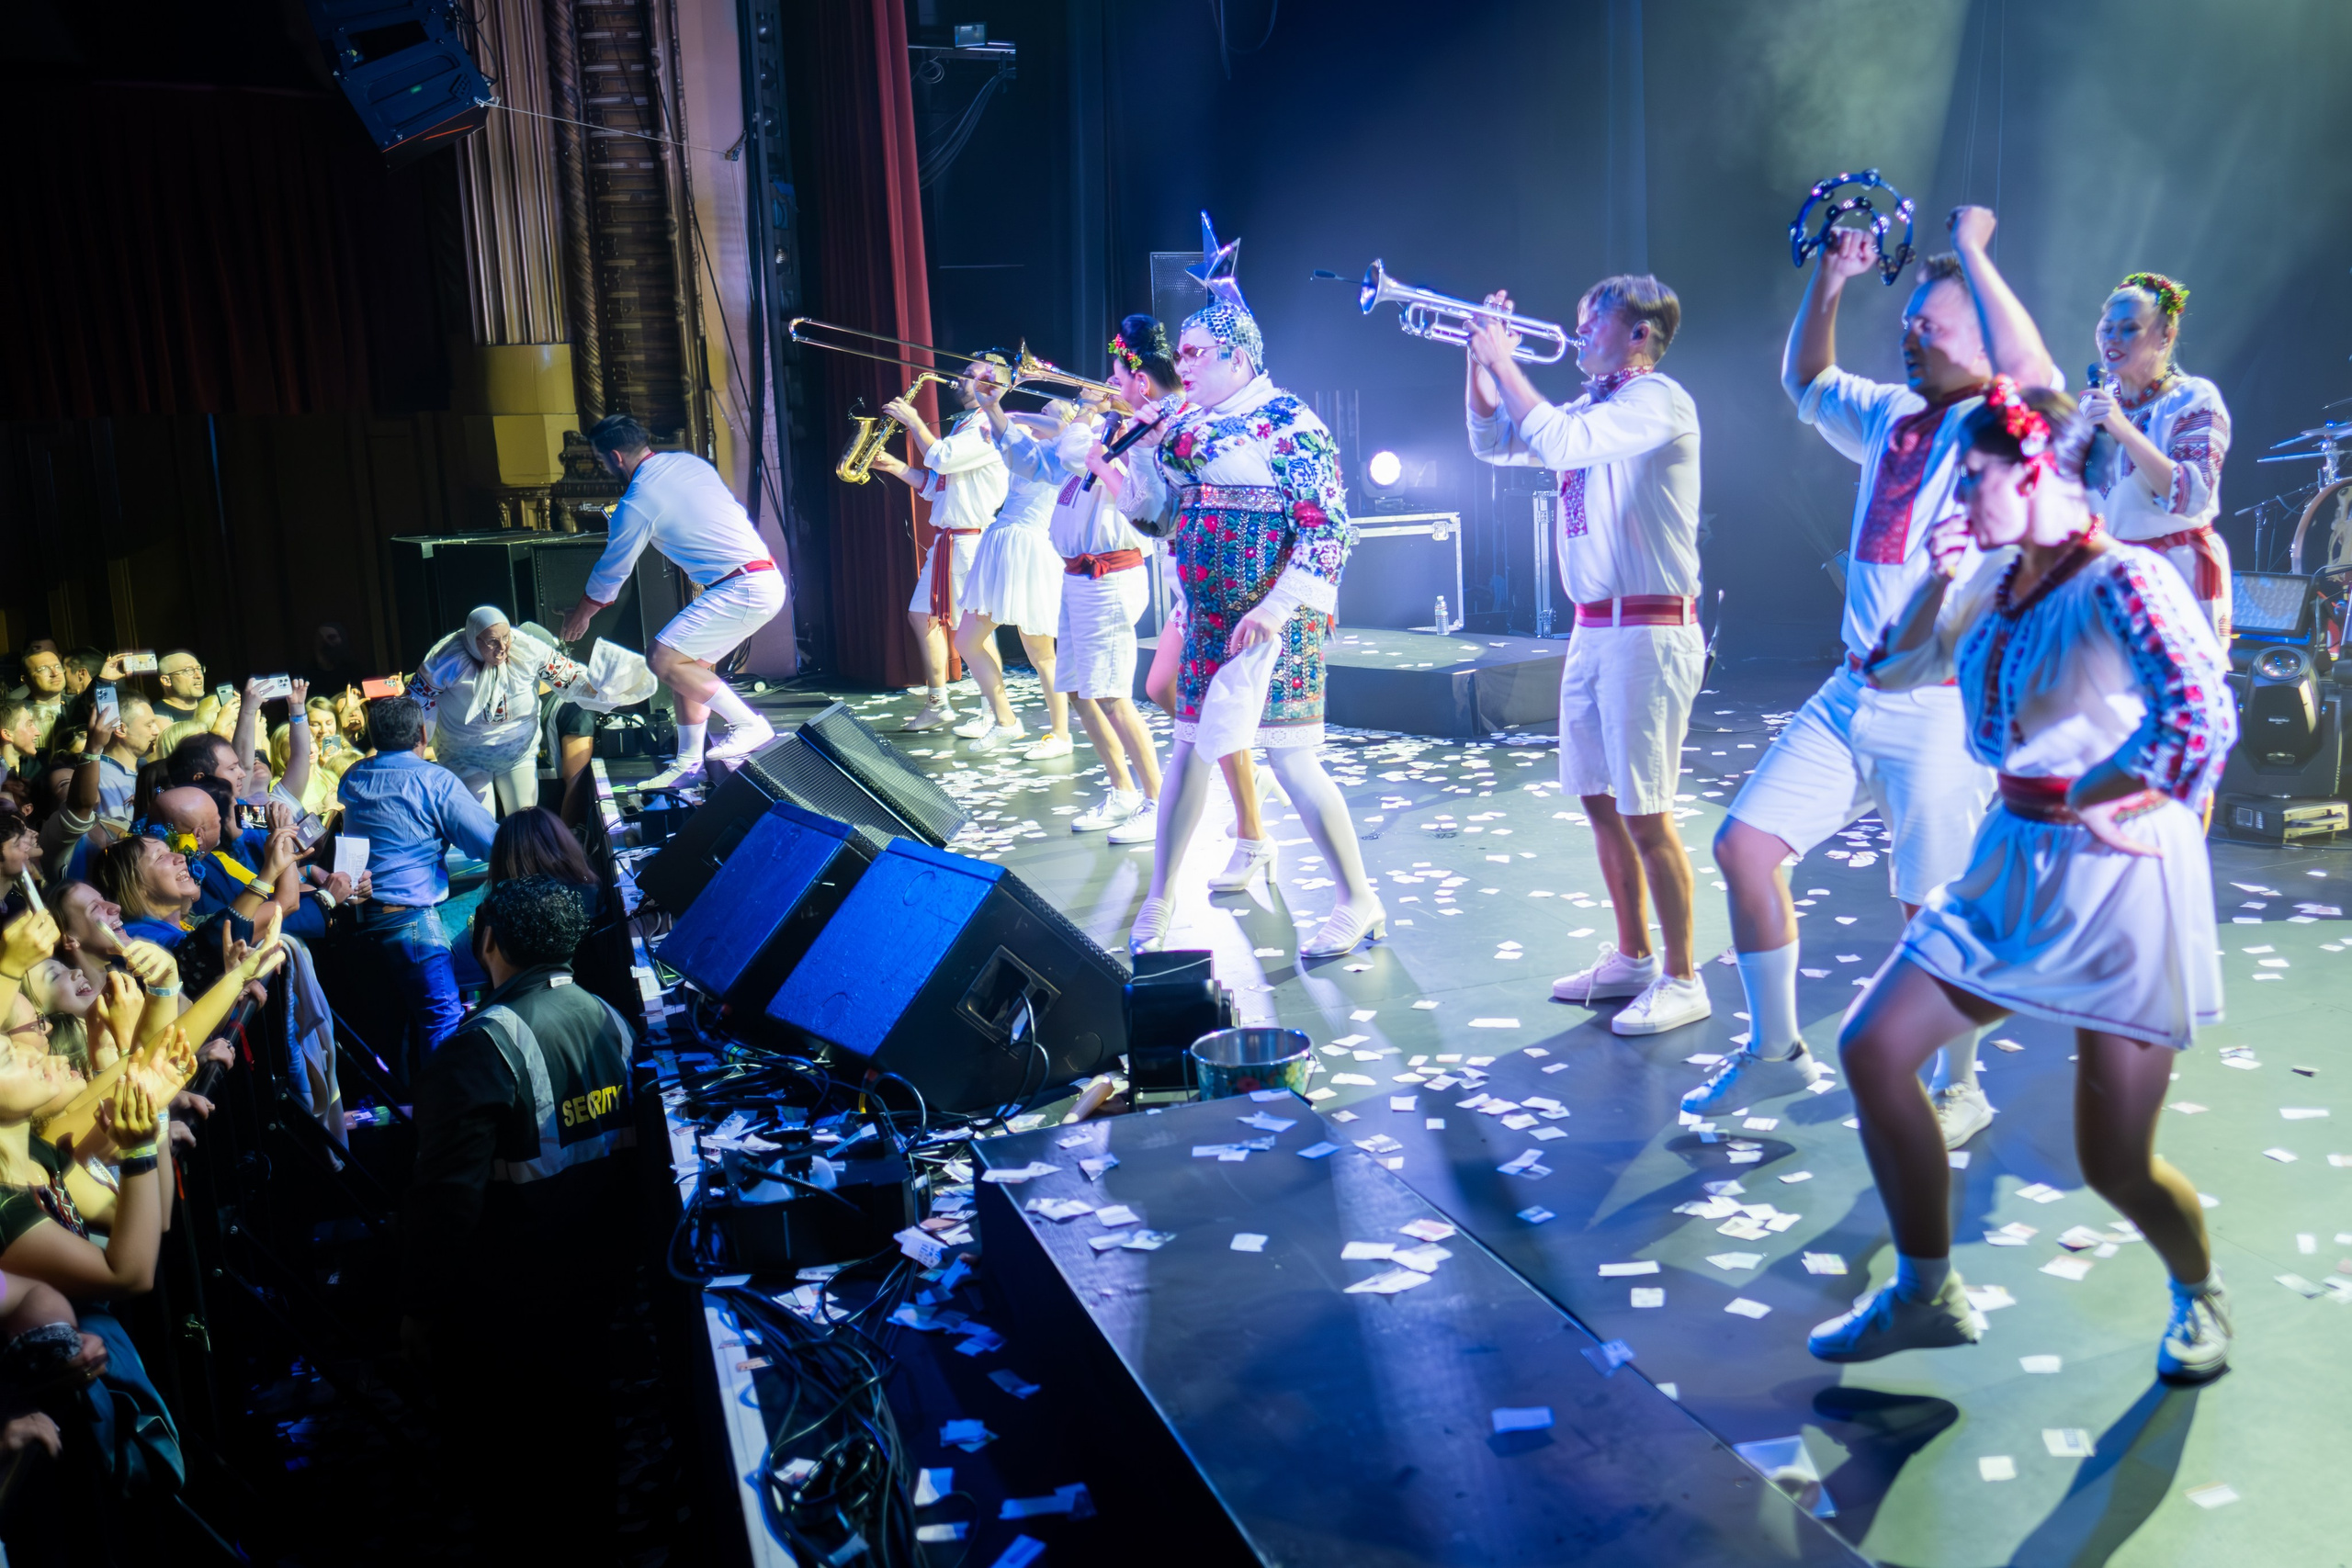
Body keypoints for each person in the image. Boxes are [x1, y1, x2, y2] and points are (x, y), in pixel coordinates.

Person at [1814, 372, 2236, 1382]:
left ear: (2037, 468)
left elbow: (2201, 715)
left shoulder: (2122, 579)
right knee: (1872, 1048)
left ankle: (2199, 1291)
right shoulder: (1993, 581)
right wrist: (1932, 576)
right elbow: (1885, 670)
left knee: (2114, 1162)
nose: (1959, 498)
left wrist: (2102, 786)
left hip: (2117, 885)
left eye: (1974, 479)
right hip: (2010, 861)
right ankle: (1925, 1293)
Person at [1689, 209, 2056, 1135]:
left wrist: (1972, 252)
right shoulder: (1894, 413)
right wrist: (1832, 279)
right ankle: (1774, 1057)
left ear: (1980, 339)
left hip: (1940, 706)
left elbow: (2040, 375)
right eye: (1906, 326)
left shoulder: (2000, 424)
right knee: (1745, 848)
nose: (1910, 338)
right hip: (1852, 688)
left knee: (1928, 908)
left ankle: (1957, 1086)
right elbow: (1804, 379)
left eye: (1930, 327)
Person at [1111, 226, 1377, 956]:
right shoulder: (1187, 428)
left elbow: (1329, 530)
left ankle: (1358, 898)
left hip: (1274, 621)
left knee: (1292, 760)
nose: (1180, 364)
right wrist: (1127, 477)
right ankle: (1161, 895)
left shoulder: (1291, 421)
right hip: (1205, 617)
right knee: (1189, 748)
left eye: (1195, 353)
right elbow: (1166, 517)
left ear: (1238, 356)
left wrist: (1274, 607)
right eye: (1181, 353)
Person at [1466, 272, 1709, 1034]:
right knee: (1599, 800)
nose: (1576, 334)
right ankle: (1633, 955)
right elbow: (1495, 442)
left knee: (1645, 811)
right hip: (1593, 628)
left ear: (1639, 332)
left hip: (1650, 627)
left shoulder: (1658, 400)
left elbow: (1558, 440)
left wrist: (1509, 363)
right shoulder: (1585, 407)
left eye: (1590, 321)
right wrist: (1478, 363)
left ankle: (1682, 975)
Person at [401, 874, 637, 1564]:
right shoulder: (609, 1016)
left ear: (487, 941)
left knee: (512, 1483)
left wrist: (418, 1307)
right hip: (594, 1277)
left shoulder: (480, 1046)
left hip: (505, 1301)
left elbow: (445, 1199)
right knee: (586, 1448)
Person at [1092, 316, 1275, 874]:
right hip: (1190, 585)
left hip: (1225, 583)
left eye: (1118, 375)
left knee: (1200, 705)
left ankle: (1252, 833)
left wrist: (1112, 467)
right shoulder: (1166, 421)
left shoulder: (1193, 423)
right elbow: (1159, 514)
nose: (1114, 387)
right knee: (1162, 687)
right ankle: (1242, 774)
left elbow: (1160, 517)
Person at [560, 414, 784, 786]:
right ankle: (687, 766)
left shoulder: (637, 501)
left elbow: (613, 570)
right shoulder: (688, 463)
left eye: (601, 460)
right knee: (687, 665)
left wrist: (582, 615)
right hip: (758, 579)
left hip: (741, 586)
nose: (603, 466)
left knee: (662, 658)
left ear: (615, 456)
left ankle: (748, 723)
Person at [1013, 320, 1172, 839]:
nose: (1108, 384)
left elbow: (1076, 451)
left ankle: (1157, 801)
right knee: (1082, 691)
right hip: (1077, 577)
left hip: (1108, 575)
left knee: (1111, 694)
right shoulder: (1105, 430)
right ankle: (1123, 791)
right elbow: (1064, 454)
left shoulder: (1138, 433)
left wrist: (1084, 412)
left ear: (1139, 380)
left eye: (1115, 376)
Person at [335, 696, 498, 1078]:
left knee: (395, 1034)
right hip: (411, 925)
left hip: (360, 925)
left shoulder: (354, 777)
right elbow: (489, 843)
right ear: (423, 733)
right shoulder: (434, 779)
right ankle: (450, 1123)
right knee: (443, 1023)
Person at [2081, 272, 2233, 636]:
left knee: (2173, 687)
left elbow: (2189, 497)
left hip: (2176, 575)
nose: (2112, 338)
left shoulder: (2192, 399)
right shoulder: (2097, 405)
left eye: (2129, 328)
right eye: (2107, 328)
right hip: (2112, 573)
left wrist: (2122, 428)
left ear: (2165, 336)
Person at [871, 362, 1013, 732]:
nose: (962, 377)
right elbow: (937, 484)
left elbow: (941, 458)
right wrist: (896, 467)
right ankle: (938, 703)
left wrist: (914, 421)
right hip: (949, 540)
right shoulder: (966, 423)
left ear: (993, 385)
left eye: (973, 373)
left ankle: (991, 711)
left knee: (975, 630)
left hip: (971, 541)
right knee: (922, 616)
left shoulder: (986, 425)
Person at [945, 386, 1074, 756]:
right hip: (1001, 542)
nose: (1041, 417)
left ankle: (1060, 735)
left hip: (1029, 548)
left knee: (1040, 653)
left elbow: (1064, 432)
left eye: (1049, 413)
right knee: (966, 641)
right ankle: (1005, 721)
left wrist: (1015, 417)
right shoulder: (1030, 453)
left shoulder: (1067, 453)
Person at [409, 607, 603, 814]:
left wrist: (599, 686)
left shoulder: (528, 648)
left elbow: (571, 677)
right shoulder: (444, 659)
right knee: (480, 825)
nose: (502, 647)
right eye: (493, 641)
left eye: (506, 637)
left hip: (517, 753)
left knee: (524, 820)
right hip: (465, 757)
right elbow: (416, 705)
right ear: (474, 639)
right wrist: (414, 752)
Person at [95, 694, 159, 824]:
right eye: (149, 725)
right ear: (120, 729)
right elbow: (115, 836)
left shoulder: (144, 768)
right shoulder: (104, 778)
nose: (156, 731)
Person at [11, 653, 64, 758]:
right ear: (25, 679)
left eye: (58, 666)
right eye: (43, 669)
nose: (55, 673)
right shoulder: (16, 713)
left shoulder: (77, 706)